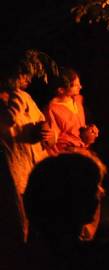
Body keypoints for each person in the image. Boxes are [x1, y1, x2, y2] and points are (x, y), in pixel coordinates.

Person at [13, 153, 109, 270]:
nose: (102, 192)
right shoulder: (104, 260)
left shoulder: (21, 261)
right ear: (75, 197)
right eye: (95, 186)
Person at [0, 53, 55, 242]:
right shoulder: (15, 99)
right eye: (24, 75)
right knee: (17, 219)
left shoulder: (26, 98)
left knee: (40, 218)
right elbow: (8, 122)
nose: (28, 79)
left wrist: (46, 133)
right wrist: (17, 100)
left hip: (34, 167)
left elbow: (43, 123)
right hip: (12, 170)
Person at [45, 68, 99, 155]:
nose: (80, 87)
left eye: (79, 84)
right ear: (61, 90)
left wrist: (90, 130)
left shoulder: (78, 99)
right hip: (69, 157)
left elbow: (79, 128)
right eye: (76, 85)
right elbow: (54, 142)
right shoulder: (52, 109)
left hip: (85, 152)